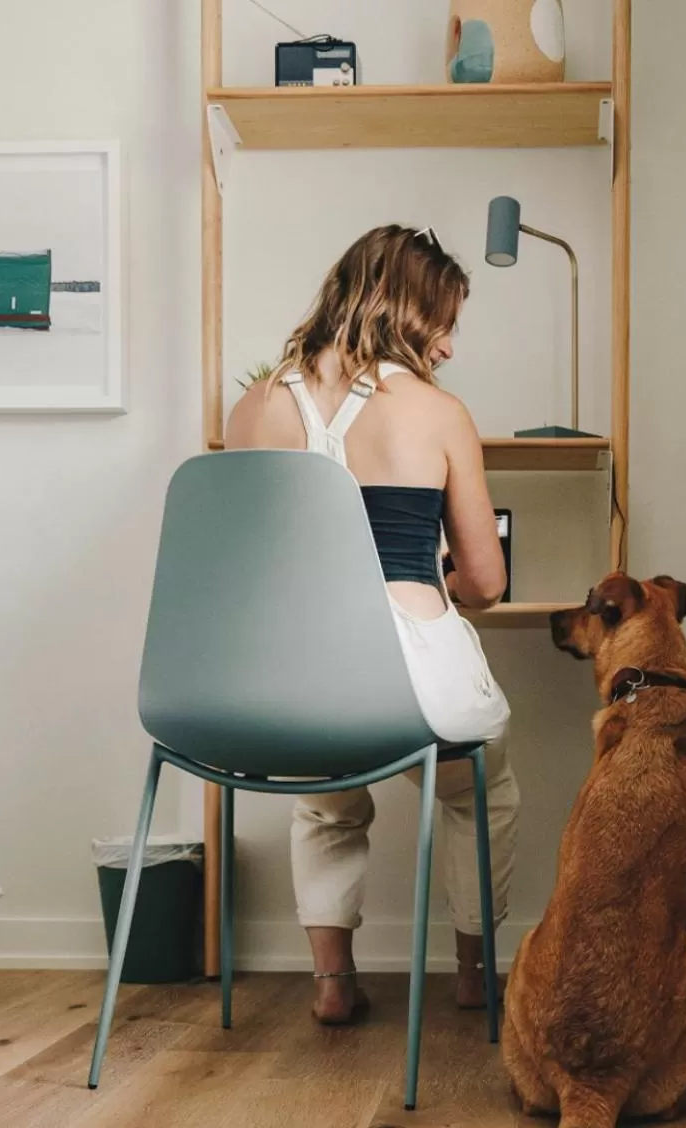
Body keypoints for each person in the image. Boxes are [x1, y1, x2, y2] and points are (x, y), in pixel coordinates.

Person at [225, 224, 520, 1025]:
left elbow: (246, 567)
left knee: (326, 799)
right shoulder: (438, 411)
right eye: (446, 323)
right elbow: (485, 583)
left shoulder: (251, 409)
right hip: (409, 680)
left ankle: (330, 985)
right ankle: (470, 971)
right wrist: (441, 580)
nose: (451, 348)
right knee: (477, 794)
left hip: (287, 683)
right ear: (408, 310)